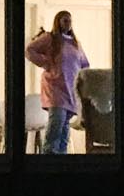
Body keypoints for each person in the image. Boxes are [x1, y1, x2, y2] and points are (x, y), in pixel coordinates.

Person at [24, 10, 89, 154]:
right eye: (65, 20)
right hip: (55, 88)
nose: (68, 23)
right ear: (58, 22)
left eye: (70, 21)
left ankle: (62, 158)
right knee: (56, 124)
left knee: (65, 128)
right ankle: (49, 158)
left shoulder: (75, 43)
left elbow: (84, 64)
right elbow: (29, 50)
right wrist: (46, 63)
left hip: (70, 88)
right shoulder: (50, 38)